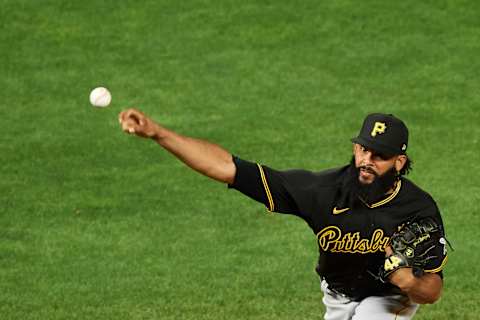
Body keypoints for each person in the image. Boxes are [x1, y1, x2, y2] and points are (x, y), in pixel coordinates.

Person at [119, 109, 448, 320]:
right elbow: (227, 168)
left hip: (388, 297)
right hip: (337, 294)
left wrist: (410, 282)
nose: (367, 160)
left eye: (380, 156)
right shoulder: (321, 192)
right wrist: (159, 133)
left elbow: (432, 289)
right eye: (364, 149)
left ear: (399, 163)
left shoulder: (418, 209)